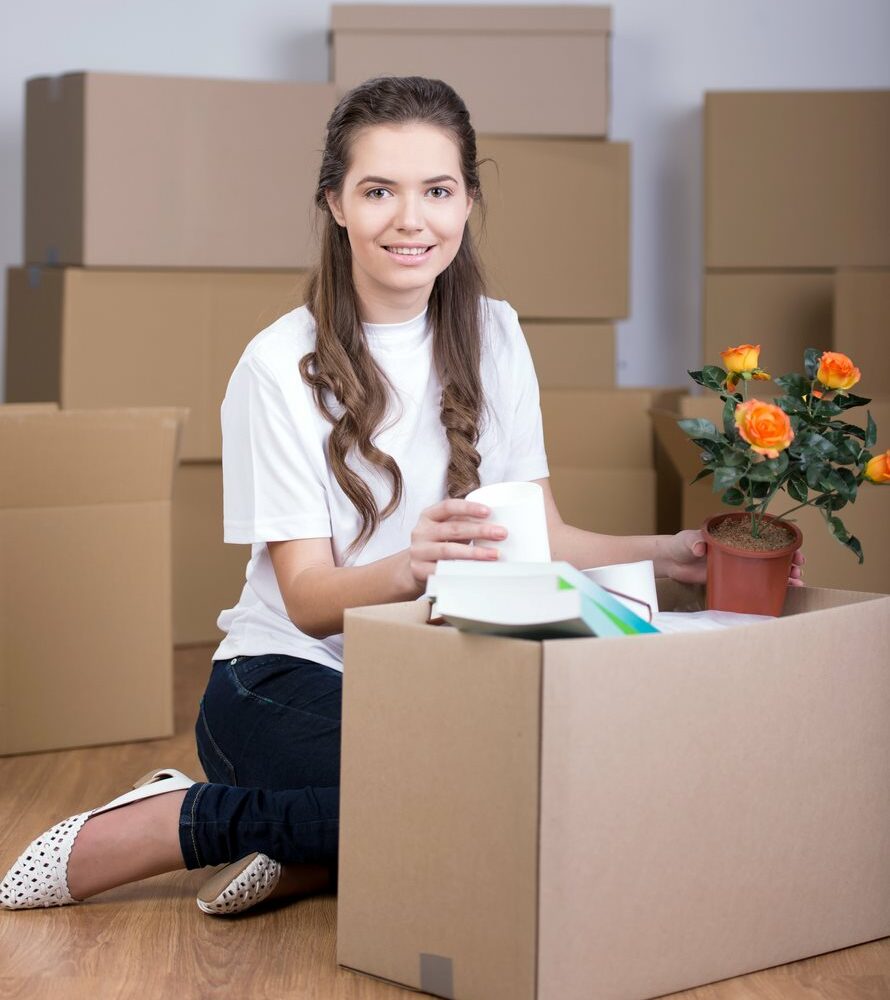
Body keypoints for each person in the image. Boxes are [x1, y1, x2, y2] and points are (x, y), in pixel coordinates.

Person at [0, 75, 803, 915]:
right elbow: (307, 599)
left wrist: (668, 554)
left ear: (467, 203)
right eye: (379, 190)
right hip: (282, 681)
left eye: (438, 190)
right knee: (495, 792)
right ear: (336, 204)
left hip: (443, 671)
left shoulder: (496, 333)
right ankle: (184, 821)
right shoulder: (276, 365)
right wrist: (410, 566)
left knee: (555, 777)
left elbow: (542, 534)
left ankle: (307, 848)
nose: (410, 219)